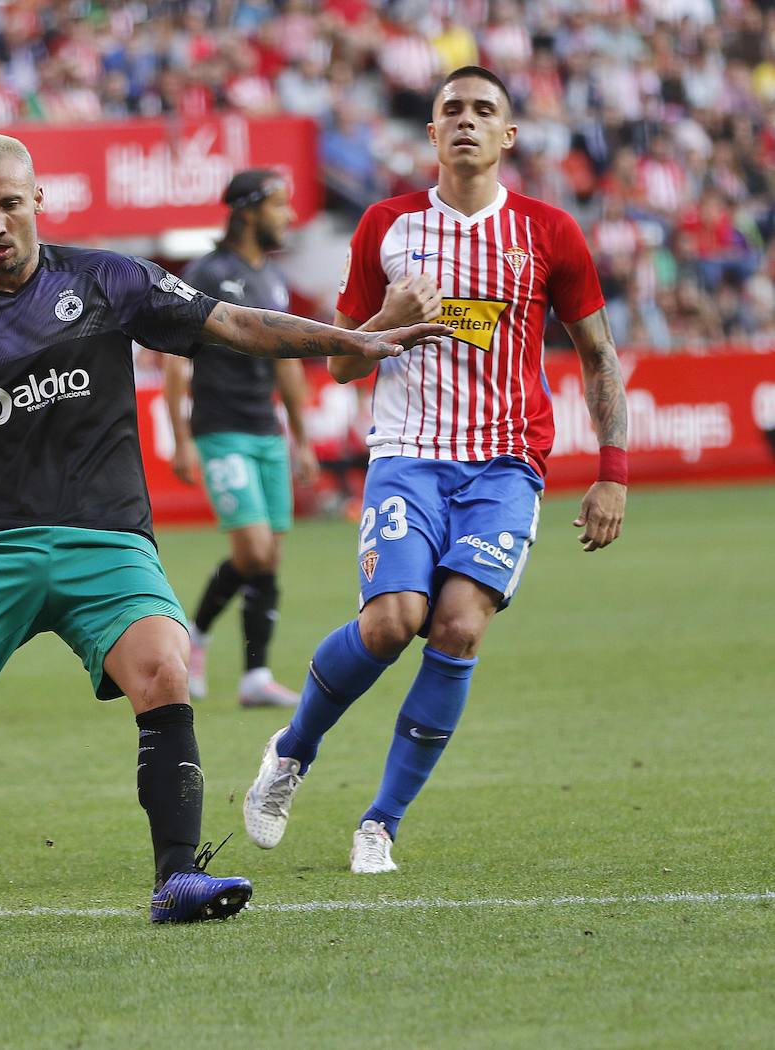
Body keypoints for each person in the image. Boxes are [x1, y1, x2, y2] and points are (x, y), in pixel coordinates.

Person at [0, 134, 446, 927]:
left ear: (38, 201)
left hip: (107, 543)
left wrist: (352, 339)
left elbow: (233, 324)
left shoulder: (108, 280)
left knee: (165, 671)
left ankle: (176, 880)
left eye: (9, 203)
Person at [243, 66, 629, 874]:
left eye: (484, 110)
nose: (466, 121)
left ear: (508, 136)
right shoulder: (385, 225)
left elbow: (597, 355)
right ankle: (292, 748)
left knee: (456, 626)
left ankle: (380, 823)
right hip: (407, 459)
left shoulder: (549, 232)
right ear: (430, 133)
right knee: (391, 623)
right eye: (450, 109)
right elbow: (344, 364)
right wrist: (389, 319)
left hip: (505, 465)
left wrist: (612, 470)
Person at [163, 169, 317, 709]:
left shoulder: (273, 279)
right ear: (248, 211)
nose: (289, 216)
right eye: (280, 205)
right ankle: (196, 636)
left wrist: (302, 438)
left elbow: (289, 366)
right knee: (251, 549)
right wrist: (181, 438)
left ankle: (256, 675)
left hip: (266, 432)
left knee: (268, 558)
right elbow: (177, 359)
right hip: (221, 429)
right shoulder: (206, 272)